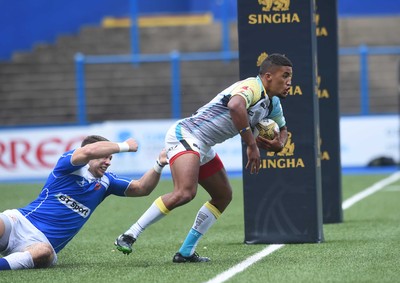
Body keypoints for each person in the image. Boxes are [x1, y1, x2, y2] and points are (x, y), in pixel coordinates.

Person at [115, 53, 293, 262]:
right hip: (186, 134)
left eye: (290, 76)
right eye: (285, 75)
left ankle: (186, 252)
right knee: (185, 192)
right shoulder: (252, 87)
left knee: (223, 196)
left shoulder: (272, 104)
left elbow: (282, 128)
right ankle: (129, 234)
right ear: (268, 76)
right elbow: (235, 106)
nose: (289, 82)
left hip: (204, 144)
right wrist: (252, 145)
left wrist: (279, 145)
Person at [0, 135, 168, 270]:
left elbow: (142, 188)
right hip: (20, 222)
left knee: (43, 252)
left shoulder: (107, 182)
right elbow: (88, 151)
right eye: (104, 157)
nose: (108, 162)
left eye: (111, 158)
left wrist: (159, 164)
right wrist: (124, 146)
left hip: (42, 243)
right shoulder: (67, 165)